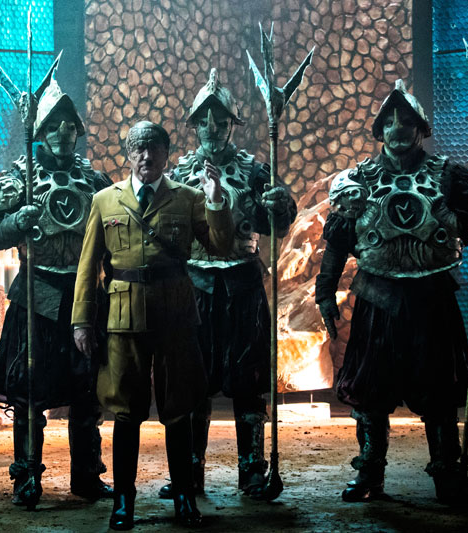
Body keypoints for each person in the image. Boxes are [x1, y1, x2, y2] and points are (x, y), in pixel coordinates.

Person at [315, 80, 468, 505]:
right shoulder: (357, 180)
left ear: (421, 129)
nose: (397, 128)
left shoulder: (450, 177)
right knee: (370, 392)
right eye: (390, 122)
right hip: (377, 300)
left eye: (406, 122)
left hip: (432, 300)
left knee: (438, 392)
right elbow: (338, 243)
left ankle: (447, 473)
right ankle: (369, 471)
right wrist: (325, 292)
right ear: (380, 130)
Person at [71, 121, 234, 530]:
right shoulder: (105, 200)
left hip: (175, 314)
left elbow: (221, 246)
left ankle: (184, 497)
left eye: (154, 148)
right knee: (126, 411)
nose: (146, 156)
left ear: (166, 153)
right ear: (128, 155)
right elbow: (88, 266)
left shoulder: (188, 198)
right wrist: (81, 321)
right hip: (123, 317)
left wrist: (216, 200)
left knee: (178, 408)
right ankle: (123, 501)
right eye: (138, 149)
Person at [162, 69, 296, 499]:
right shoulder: (178, 174)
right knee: (191, 381)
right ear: (194, 124)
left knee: (250, 379)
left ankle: (252, 470)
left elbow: (276, 224)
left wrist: (279, 204)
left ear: (231, 124)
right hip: (194, 285)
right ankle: (189, 472)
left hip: (242, 284)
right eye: (205, 121)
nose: (212, 128)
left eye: (220, 121)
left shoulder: (255, 171)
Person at [0, 79, 113, 508]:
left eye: (68, 125)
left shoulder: (94, 181)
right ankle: (26, 477)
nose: (61, 132)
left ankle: (86, 476)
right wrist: (17, 221)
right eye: (53, 125)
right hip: (35, 297)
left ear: (77, 130)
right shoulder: (20, 177)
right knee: (29, 392)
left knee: (86, 391)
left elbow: (113, 240)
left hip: (84, 297)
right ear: (40, 131)